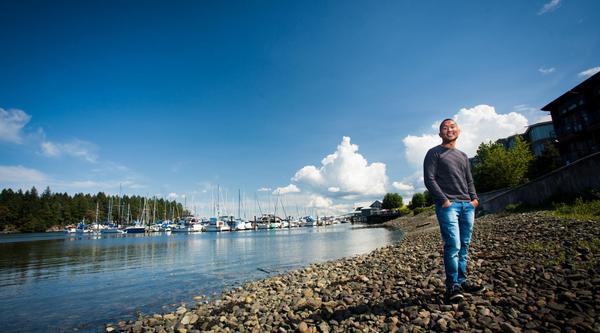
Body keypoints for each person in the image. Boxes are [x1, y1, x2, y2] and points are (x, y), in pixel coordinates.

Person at [423, 118, 486, 303]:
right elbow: (429, 179)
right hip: (448, 206)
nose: (449, 129)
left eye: (452, 126)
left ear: (458, 130)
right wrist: (444, 201)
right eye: (445, 127)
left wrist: (474, 200)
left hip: (467, 205)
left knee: (464, 245)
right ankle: (452, 286)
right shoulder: (434, 153)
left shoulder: (463, 156)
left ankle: (462, 281)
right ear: (440, 133)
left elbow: (469, 180)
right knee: (453, 246)